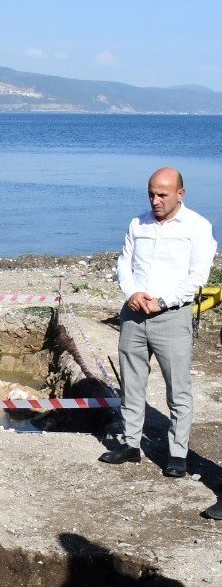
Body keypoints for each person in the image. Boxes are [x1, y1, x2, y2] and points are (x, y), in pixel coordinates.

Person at [100, 167, 216, 478]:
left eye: (162, 194)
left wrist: (162, 301)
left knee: (178, 389)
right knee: (132, 383)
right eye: (151, 193)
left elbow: (197, 278)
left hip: (172, 317)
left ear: (181, 193)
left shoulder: (198, 227)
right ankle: (130, 444)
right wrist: (133, 292)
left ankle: (177, 453)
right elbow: (124, 262)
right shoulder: (138, 223)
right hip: (134, 312)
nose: (155, 200)